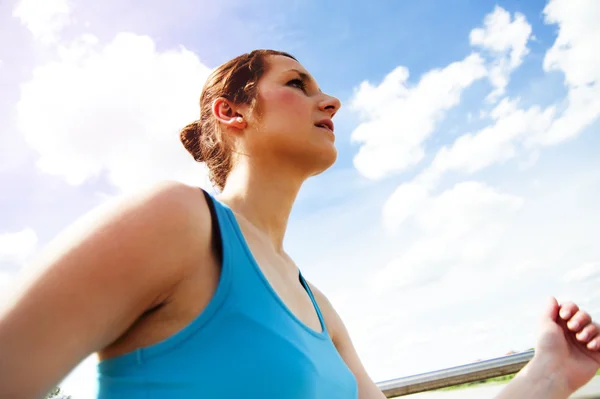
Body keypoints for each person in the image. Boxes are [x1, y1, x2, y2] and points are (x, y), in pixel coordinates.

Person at [0, 49, 598, 399]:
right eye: (296, 84)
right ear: (231, 112)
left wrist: (547, 374)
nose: (330, 100)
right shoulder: (175, 221)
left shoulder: (319, 305)